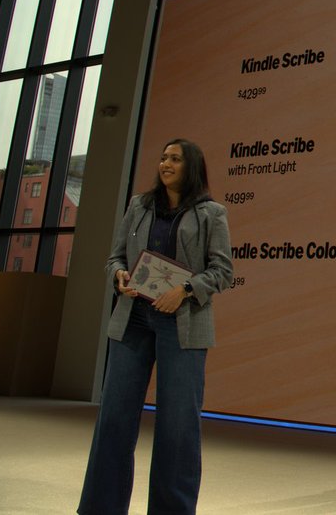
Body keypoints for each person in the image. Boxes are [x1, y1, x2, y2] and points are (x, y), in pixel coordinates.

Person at [78, 139, 234, 515]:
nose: (165, 163)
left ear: (191, 166)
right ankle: (100, 508)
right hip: (133, 318)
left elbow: (223, 271)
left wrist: (185, 290)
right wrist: (118, 275)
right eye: (163, 158)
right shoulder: (139, 206)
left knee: (178, 426)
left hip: (182, 324)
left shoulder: (212, 213)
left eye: (175, 159)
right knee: (114, 418)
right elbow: (116, 257)